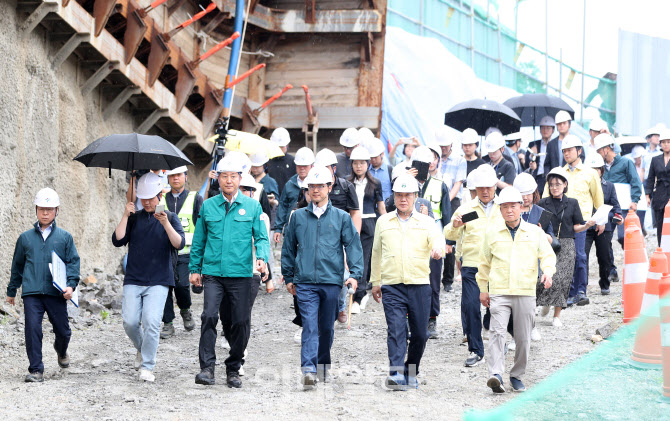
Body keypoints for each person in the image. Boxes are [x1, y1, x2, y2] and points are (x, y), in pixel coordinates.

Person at [281, 165, 364, 390]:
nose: (315, 190)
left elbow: (353, 246)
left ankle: (323, 364)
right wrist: (288, 276)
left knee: (327, 327)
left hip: (331, 281)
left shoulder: (341, 218)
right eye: (312, 186)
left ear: (329, 187)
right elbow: (288, 249)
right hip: (305, 281)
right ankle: (308, 370)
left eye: (320, 186)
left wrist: (355, 274)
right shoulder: (297, 217)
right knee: (309, 325)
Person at [189, 156, 269, 388]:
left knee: (241, 321)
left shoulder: (252, 206)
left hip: (242, 274)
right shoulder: (208, 206)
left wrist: (262, 258)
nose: (229, 180)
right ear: (219, 179)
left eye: (233, 176)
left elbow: (262, 237)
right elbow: (199, 240)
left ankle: (233, 367)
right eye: (224, 176)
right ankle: (207, 368)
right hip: (213, 273)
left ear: (240, 178)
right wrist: (195, 269)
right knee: (209, 317)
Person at [477, 187, 556, 394]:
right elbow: (484, 263)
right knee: (497, 333)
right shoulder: (492, 233)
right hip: (499, 291)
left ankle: (516, 375)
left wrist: (547, 272)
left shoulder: (534, 232)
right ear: (500, 210)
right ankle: (496, 374)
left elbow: (547, 255)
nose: (509, 210)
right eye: (505, 207)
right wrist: (483, 289)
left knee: (523, 338)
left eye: (513, 206)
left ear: (521, 207)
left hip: (525, 291)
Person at [370, 174, 445, 390]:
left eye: (408, 195)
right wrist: (376, 281)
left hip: (420, 284)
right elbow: (376, 253)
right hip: (392, 285)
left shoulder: (427, 222)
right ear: (393, 196)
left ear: (415, 196)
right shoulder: (383, 222)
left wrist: (438, 249)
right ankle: (395, 372)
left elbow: (437, 240)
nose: (403, 199)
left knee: (420, 333)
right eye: (399, 195)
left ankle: (411, 370)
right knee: (396, 330)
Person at [112, 173, 185, 383]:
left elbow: (179, 243)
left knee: (152, 322)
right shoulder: (134, 218)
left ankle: (147, 365)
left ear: (160, 195)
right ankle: (142, 348)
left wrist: (165, 224)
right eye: (143, 198)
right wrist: (125, 215)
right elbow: (117, 240)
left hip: (160, 279)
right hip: (134, 278)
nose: (147, 202)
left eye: (151, 198)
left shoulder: (169, 217)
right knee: (130, 322)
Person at [7, 188, 80, 383]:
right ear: (36, 210)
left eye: (49, 209)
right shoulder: (25, 238)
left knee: (63, 331)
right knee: (32, 328)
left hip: (56, 292)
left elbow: (73, 262)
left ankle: (61, 349)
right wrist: (11, 291)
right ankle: (36, 370)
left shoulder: (64, 237)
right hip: (31, 292)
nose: (45, 213)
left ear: (57, 210)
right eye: (41, 209)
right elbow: (17, 265)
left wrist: (71, 286)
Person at [444, 165, 503, 367]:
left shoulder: (502, 208)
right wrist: (455, 226)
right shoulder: (468, 210)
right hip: (471, 266)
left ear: (495, 186)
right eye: (480, 188)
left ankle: (499, 343)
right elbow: (449, 234)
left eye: (488, 187)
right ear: (475, 189)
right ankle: (476, 350)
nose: (485, 191)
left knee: (498, 308)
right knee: (470, 307)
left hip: (498, 266)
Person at [218, 173, 274, 375]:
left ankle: (238, 356)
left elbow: (261, 243)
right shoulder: (222, 210)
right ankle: (232, 340)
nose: (244, 193)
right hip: (224, 272)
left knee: (242, 315)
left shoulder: (260, 215)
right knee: (226, 313)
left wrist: (268, 275)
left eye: (248, 190)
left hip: (250, 272)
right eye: (242, 190)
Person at [544, 135, 604, 307]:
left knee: (580, 256)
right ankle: (567, 293)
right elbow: (547, 196)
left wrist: (601, 220)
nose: (566, 153)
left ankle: (580, 291)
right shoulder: (559, 173)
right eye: (564, 151)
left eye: (570, 150)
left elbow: (598, 199)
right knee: (563, 258)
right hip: (560, 222)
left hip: (581, 222)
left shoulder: (591, 173)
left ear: (579, 151)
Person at [537, 167, 595, 327]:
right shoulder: (543, 203)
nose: (554, 187)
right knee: (547, 276)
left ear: (565, 184)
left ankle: (557, 316)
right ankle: (546, 302)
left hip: (567, 244)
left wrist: (586, 226)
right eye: (551, 185)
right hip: (548, 243)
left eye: (558, 184)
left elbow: (576, 226)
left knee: (563, 280)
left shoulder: (572, 203)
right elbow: (538, 225)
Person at [314, 147, 361, 325]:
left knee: (342, 273)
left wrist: (353, 238)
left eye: (326, 167)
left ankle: (341, 306)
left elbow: (355, 213)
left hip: (340, 237)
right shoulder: (311, 187)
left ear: (334, 168)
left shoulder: (346, 187)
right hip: (317, 235)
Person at [158, 166, 203, 339]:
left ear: (185, 176)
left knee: (182, 286)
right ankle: (168, 323)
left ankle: (185, 309)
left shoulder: (195, 198)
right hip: (164, 253)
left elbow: (201, 227)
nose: (175, 178)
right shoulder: (160, 198)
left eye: (178, 175)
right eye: (172, 176)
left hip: (186, 252)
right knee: (164, 289)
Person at [413, 146, 451, 337]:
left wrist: (448, 242)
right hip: (411, 238)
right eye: (418, 164)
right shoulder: (404, 184)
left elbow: (447, 214)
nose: (422, 168)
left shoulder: (440, 184)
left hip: (434, 237)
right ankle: (411, 318)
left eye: (425, 164)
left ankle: (432, 319)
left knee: (434, 281)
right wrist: (406, 179)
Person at [348, 147, 386, 314]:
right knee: (350, 259)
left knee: (364, 260)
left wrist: (385, 225)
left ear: (367, 164)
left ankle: (359, 296)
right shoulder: (346, 182)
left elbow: (381, 207)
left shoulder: (375, 183)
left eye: (362, 163)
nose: (358, 166)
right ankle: (351, 293)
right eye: (355, 163)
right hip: (350, 222)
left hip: (369, 222)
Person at [596, 133, 643, 248]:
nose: (598, 154)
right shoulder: (600, 167)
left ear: (607, 149)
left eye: (599, 151)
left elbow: (636, 182)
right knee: (605, 239)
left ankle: (631, 258)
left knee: (624, 237)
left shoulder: (626, 163)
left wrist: (635, 200)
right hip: (607, 209)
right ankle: (611, 265)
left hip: (623, 208)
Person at [585, 154, 622, 295]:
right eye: (591, 169)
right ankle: (582, 286)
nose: (594, 172)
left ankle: (605, 284)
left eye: (597, 169)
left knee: (604, 256)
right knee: (582, 255)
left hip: (604, 226)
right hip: (587, 225)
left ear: (601, 170)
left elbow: (616, 207)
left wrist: (612, 217)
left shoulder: (609, 187)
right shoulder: (582, 187)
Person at [273, 147, 315, 243]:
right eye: (299, 165)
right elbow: (283, 206)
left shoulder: (317, 185)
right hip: (291, 228)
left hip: (311, 228)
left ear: (312, 166)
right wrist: (278, 228)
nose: (302, 168)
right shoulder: (290, 184)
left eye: (305, 165)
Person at [645, 130, 670, 243]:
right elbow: (650, 178)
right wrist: (647, 195)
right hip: (659, 193)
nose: (666, 144)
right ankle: (661, 247)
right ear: (660, 144)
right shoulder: (655, 160)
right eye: (663, 142)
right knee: (660, 223)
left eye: (668, 142)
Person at [526, 115, 556, 193]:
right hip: (538, 178)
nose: (545, 130)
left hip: (551, 177)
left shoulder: (555, 145)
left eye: (548, 128)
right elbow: (526, 163)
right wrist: (532, 155)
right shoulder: (533, 144)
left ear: (553, 130)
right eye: (543, 128)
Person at [267, 127, 296, 196]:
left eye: (282, 147)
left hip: (287, 198)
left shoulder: (292, 161)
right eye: (278, 147)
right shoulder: (267, 161)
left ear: (287, 145)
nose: (280, 149)